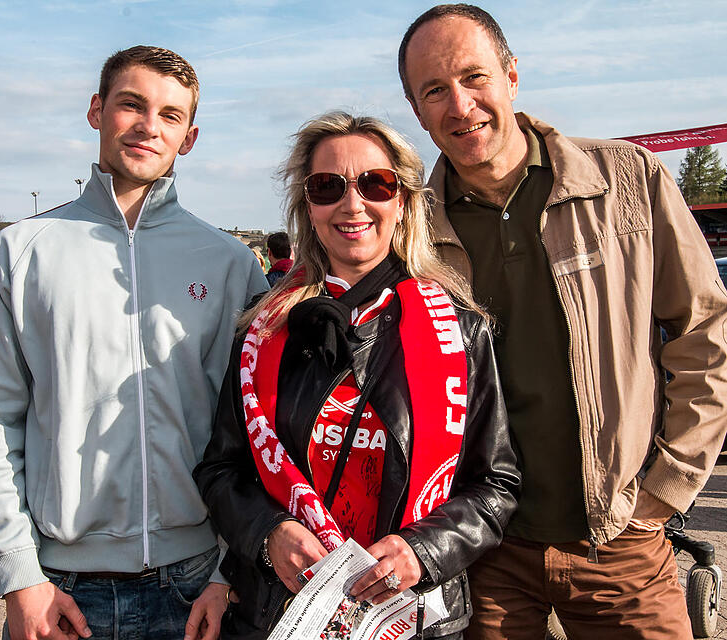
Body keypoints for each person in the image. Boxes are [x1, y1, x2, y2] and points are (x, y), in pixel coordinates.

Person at [397, 5, 727, 639]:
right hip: (485, 551)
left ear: (512, 76)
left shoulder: (627, 179)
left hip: (620, 539)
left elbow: (705, 332)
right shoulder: (411, 227)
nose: (460, 106)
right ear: (417, 110)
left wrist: (669, 484)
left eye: (474, 77)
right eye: (434, 90)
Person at [0, 46, 268, 640]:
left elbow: (255, 429)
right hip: (62, 592)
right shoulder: (20, 252)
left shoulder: (231, 264)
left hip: (198, 586)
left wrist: (232, 567)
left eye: (171, 115)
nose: (150, 125)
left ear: (191, 136)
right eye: (132, 104)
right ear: (97, 109)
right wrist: (20, 577)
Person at [193, 111, 521, 640]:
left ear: (403, 201)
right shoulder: (261, 329)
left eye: (376, 183)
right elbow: (221, 470)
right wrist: (267, 532)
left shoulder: (462, 331)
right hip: (281, 610)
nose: (352, 204)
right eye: (328, 186)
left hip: (412, 617)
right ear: (308, 206)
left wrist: (424, 551)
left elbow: (496, 484)